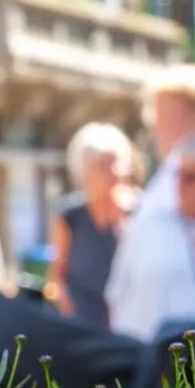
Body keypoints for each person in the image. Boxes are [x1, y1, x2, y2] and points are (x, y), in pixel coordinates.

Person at [107, 66, 195, 339]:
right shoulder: (171, 171)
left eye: (158, 113)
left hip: (192, 336)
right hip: (159, 334)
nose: (154, 126)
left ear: (181, 112)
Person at [50, 121, 137, 326]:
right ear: (85, 170)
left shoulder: (137, 212)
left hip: (127, 319)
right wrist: (68, 310)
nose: (113, 171)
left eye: (116, 162)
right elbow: (57, 274)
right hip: (84, 321)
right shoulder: (70, 216)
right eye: (103, 164)